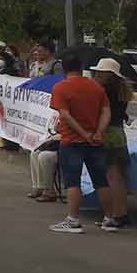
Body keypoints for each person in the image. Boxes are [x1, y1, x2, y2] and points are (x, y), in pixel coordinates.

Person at [48, 55, 115, 234]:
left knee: (73, 182)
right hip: (96, 142)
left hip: (72, 141)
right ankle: (109, 218)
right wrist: (98, 132)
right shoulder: (96, 87)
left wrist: (83, 134)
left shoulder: (61, 87)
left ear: (64, 69)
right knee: (101, 181)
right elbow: (106, 112)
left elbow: (65, 115)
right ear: (81, 67)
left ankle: (73, 220)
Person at [92, 58, 132, 230]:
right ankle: (121, 214)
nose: (96, 74)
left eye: (100, 72)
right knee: (118, 176)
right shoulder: (122, 90)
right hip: (119, 133)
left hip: (108, 133)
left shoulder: (104, 90)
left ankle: (114, 215)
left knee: (111, 176)